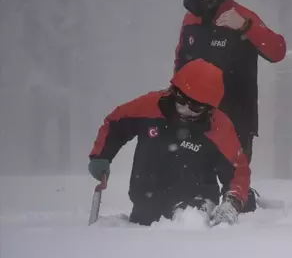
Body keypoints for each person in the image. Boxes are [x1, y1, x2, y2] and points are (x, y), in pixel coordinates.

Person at [174, 0, 286, 212]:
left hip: (237, 114)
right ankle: (198, 214)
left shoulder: (242, 16)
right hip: (195, 114)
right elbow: (180, 62)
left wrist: (245, 27)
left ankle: (240, 210)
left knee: (234, 181)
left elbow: (278, 50)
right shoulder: (190, 21)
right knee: (195, 181)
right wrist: (175, 102)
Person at [88, 59, 251, 226]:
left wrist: (232, 201)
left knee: (189, 224)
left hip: (196, 206)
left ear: (209, 109)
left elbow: (238, 171)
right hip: (147, 203)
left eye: (195, 107)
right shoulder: (150, 106)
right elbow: (115, 123)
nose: (186, 110)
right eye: (182, 101)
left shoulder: (219, 127)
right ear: (174, 91)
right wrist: (101, 156)